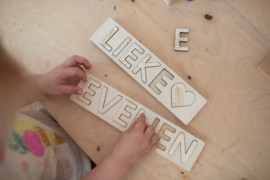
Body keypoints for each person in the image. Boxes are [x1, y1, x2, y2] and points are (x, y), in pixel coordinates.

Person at [0, 44, 159, 180]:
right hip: (87, 170)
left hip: (55, 120)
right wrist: (122, 158)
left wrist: (41, 84)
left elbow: (9, 92)